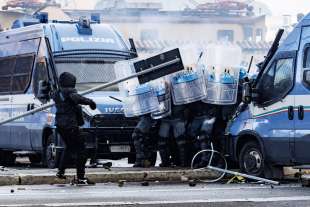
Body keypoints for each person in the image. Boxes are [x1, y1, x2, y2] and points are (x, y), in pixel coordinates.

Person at [52, 72, 97, 184]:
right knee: (82, 150)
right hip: (70, 126)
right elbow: (78, 98)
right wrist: (91, 102)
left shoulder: (57, 93)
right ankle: (80, 177)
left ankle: (60, 172)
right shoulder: (69, 92)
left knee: (69, 148)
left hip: (60, 126)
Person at [188, 101, 218, 168]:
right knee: (192, 137)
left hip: (208, 115)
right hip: (196, 115)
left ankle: (205, 160)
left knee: (204, 137)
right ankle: (198, 158)